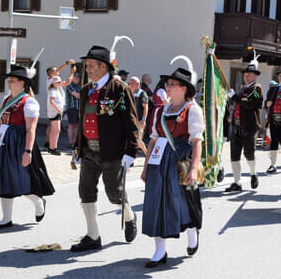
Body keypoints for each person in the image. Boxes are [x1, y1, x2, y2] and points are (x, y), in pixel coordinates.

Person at [70, 45, 138, 252]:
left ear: (104, 67)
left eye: (90, 65)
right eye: (86, 65)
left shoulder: (119, 89)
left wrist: (131, 151)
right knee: (86, 191)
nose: (87, 69)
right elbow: (82, 122)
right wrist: (77, 150)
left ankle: (129, 215)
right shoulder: (85, 91)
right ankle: (93, 236)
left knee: (114, 193)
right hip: (88, 151)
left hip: (112, 151)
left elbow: (131, 122)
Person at [142, 67, 204, 268]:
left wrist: (194, 169)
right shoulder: (160, 110)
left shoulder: (192, 110)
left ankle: (192, 230)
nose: (167, 87)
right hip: (157, 162)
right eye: (167, 84)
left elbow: (196, 142)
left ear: (184, 88)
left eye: (172, 84)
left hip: (178, 162)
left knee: (181, 203)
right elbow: (152, 141)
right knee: (155, 204)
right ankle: (159, 251)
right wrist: (145, 167)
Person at [0, 65, 54, 229]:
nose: (9, 83)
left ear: (22, 83)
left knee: (22, 180)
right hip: (3, 144)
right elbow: (2, 122)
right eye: (8, 80)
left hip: (19, 145)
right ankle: (6, 218)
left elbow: (31, 129)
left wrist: (27, 151)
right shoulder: (7, 99)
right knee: (3, 178)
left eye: (12, 81)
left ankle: (38, 202)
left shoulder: (29, 102)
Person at [225, 56, 263, 192]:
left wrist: (235, 96)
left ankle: (253, 174)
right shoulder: (241, 89)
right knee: (234, 155)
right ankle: (237, 182)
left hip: (250, 126)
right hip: (236, 125)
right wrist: (233, 96)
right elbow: (239, 102)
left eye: (249, 75)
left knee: (249, 153)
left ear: (255, 76)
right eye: (245, 75)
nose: (246, 77)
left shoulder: (257, 89)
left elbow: (250, 104)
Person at [44, 60, 76, 149]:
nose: (57, 71)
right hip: (55, 108)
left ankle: (49, 143)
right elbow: (67, 82)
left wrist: (66, 63)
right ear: (51, 73)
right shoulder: (52, 81)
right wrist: (72, 73)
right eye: (55, 70)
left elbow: (59, 70)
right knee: (55, 129)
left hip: (54, 108)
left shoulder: (52, 79)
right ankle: (51, 146)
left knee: (51, 127)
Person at [129, 76, 148, 155]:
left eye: (133, 83)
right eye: (130, 83)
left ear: (138, 85)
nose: (131, 85)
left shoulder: (142, 93)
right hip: (130, 120)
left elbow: (145, 107)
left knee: (138, 140)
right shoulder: (128, 92)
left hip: (139, 120)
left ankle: (147, 155)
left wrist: (144, 120)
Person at [66, 72, 81, 149]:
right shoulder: (69, 85)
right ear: (72, 78)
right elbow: (77, 95)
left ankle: (75, 142)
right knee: (71, 125)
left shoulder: (79, 86)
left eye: (78, 78)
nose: (77, 79)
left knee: (77, 125)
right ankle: (70, 142)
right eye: (75, 77)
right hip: (72, 108)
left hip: (78, 108)